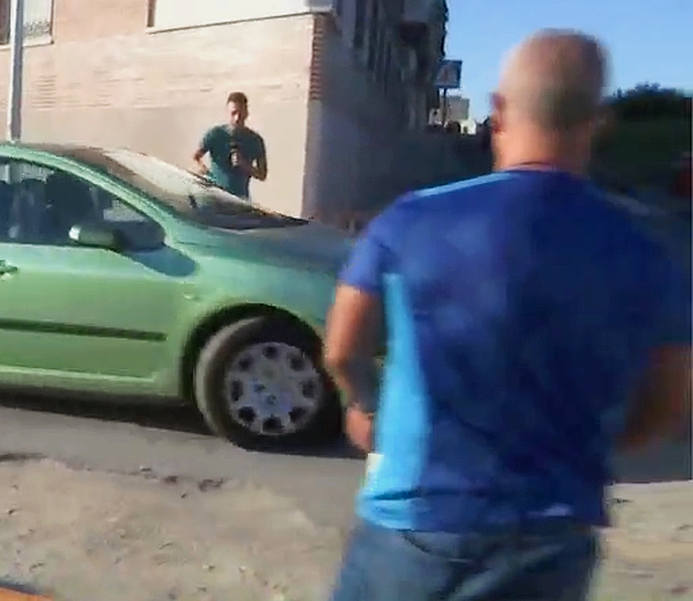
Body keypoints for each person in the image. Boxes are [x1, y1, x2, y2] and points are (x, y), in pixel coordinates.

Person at [322, 30, 691, 601]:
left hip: (415, 525)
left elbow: (343, 347)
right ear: (598, 122)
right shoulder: (645, 248)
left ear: (498, 112)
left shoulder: (411, 219)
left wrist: (364, 407)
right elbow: (667, 402)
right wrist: (588, 448)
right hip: (550, 538)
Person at [192, 91, 267, 199]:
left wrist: (245, 166)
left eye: (241, 114)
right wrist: (203, 170)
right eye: (234, 113)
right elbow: (195, 157)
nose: (237, 118)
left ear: (247, 113)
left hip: (240, 199)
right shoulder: (215, 134)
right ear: (227, 112)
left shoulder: (255, 140)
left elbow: (262, 175)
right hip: (215, 195)